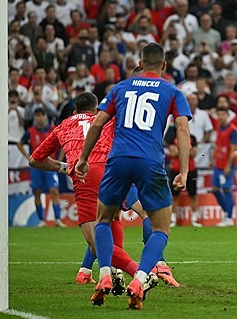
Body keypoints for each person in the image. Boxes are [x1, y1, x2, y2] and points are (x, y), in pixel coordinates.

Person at [75, 43, 191, 310]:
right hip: (149, 161)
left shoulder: (121, 88)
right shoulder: (172, 91)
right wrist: (183, 171)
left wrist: (82, 158)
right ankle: (139, 279)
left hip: (117, 161)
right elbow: (182, 130)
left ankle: (104, 275)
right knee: (160, 227)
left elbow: (97, 123)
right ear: (164, 65)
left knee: (103, 219)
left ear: (140, 63)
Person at [27, 92, 170, 295]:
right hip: (114, 170)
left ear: (75, 111)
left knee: (96, 245)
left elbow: (35, 160)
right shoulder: (105, 120)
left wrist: (64, 167)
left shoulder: (64, 125)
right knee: (112, 220)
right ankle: (113, 272)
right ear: (96, 110)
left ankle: (138, 272)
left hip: (85, 173)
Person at [17, 108, 64, 227]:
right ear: (35, 118)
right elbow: (20, 144)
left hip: (51, 165)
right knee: (37, 192)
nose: (40, 118)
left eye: (42, 115)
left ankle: (58, 219)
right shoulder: (31, 131)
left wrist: (59, 160)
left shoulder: (54, 130)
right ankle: (42, 220)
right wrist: (28, 157)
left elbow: (63, 143)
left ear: (45, 116)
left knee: (54, 190)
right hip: (36, 166)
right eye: (37, 115)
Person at [164, 127, 200, 228]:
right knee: (174, 196)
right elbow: (172, 153)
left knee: (193, 195)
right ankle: (173, 219)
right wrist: (186, 149)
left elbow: (194, 153)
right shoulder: (172, 138)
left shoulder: (192, 138)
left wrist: (180, 150)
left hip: (191, 170)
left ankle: (194, 219)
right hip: (176, 169)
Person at [212, 107, 237, 227]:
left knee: (227, 189)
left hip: (227, 165)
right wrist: (213, 158)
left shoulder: (232, 130)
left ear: (227, 116)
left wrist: (228, 165)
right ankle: (226, 211)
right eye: (219, 114)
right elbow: (217, 144)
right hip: (218, 164)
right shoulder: (218, 128)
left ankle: (229, 217)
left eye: (223, 114)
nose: (221, 117)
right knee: (215, 189)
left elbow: (233, 149)